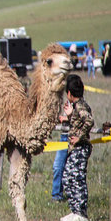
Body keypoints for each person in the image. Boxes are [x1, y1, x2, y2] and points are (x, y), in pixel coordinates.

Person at [61, 74, 94, 221]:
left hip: (80, 149)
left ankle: (81, 214)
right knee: (68, 178)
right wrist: (69, 116)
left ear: (69, 93)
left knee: (77, 179)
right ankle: (75, 211)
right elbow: (79, 121)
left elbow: (89, 120)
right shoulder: (77, 106)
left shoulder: (80, 106)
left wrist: (79, 136)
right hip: (75, 149)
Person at [51, 75, 77, 202]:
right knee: (58, 166)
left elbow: (84, 118)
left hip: (74, 139)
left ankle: (72, 196)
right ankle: (57, 195)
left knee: (72, 170)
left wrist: (67, 118)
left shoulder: (79, 103)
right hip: (64, 137)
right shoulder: (67, 102)